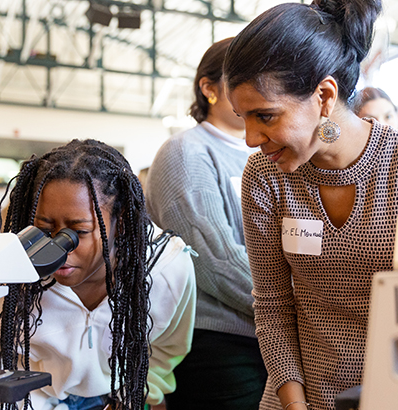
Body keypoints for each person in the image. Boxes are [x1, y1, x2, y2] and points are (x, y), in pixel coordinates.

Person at [222, 2, 398, 410]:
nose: (249, 138)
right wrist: (295, 404)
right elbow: (273, 307)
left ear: (324, 95)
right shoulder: (264, 177)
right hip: (298, 396)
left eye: (264, 116)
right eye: (241, 117)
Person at [0, 139, 196, 410]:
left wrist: (134, 397)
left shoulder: (166, 268)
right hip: (31, 399)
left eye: (77, 232)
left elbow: (165, 350)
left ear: (120, 222)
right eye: (44, 228)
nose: (58, 249)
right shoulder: (11, 271)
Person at [146, 38, 266, 409]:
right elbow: (213, 260)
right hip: (218, 342)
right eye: (241, 77)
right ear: (209, 89)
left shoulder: (267, 152)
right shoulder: (187, 151)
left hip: (270, 334)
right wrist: (290, 302)